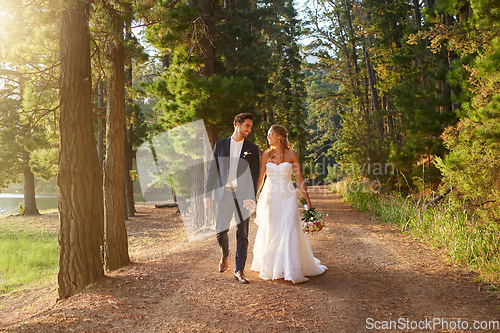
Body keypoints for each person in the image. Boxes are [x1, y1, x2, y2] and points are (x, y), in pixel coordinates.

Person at [250, 125, 327, 283]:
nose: (268, 137)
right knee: (272, 229)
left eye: (270, 134)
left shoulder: (292, 155)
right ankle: (274, 266)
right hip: (271, 198)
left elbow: (299, 180)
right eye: (268, 134)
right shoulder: (265, 155)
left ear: (279, 137)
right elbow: (260, 180)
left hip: (288, 196)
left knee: (289, 228)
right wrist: (253, 197)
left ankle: (290, 267)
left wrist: (308, 203)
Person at [204, 113, 260, 284]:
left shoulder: (253, 148)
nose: (249, 129)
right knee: (220, 231)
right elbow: (213, 171)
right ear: (237, 124)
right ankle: (225, 253)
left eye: (250, 126)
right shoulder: (220, 145)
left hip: (243, 196)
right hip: (224, 194)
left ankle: (239, 270)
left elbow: (254, 175)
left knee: (242, 233)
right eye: (247, 126)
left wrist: (251, 197)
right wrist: (207, 194)